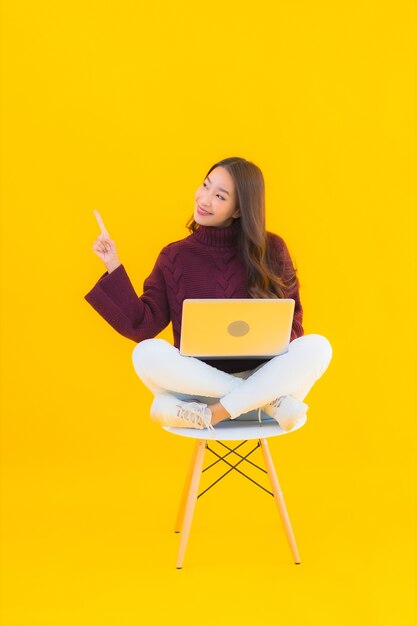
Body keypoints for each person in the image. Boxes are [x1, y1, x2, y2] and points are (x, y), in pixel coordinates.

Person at [84, 156, 333, 432]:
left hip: (254, 383)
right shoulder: (174, 257)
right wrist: (112, 264)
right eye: (205, 185)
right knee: (145, 353)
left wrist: (263, 335)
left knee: (318, 347)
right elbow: (142, 326)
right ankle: (265, 401)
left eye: (219, 196)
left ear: (239, 210)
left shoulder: (272, 250)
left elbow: (295, 328)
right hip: (216, 391)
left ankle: (212, 413)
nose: (204, 199)